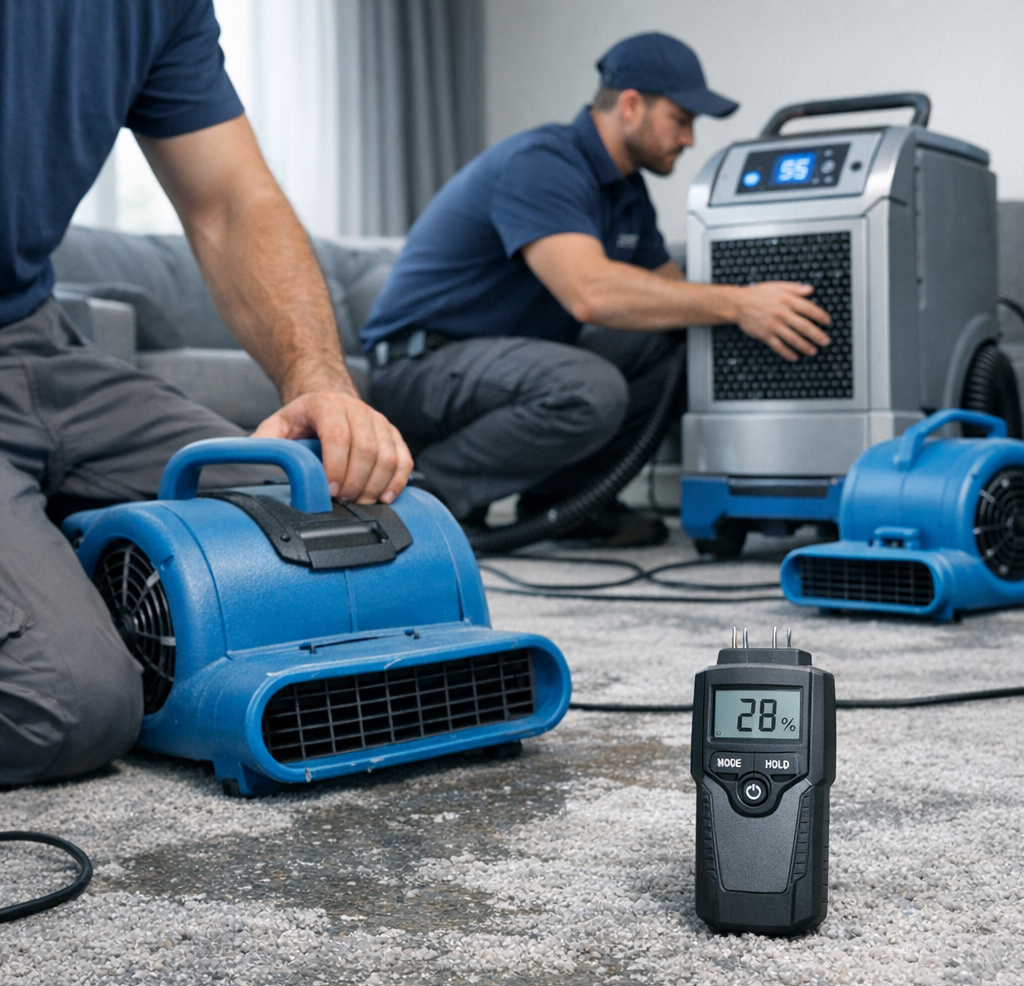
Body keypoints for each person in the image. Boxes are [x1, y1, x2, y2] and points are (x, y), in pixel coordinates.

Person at [0, 0, 412, 787]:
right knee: (67, 702)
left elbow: (230, 202)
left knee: (357, 522)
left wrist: (319, 379)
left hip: (34, 337)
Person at [362, 32, 831, 546]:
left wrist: (754, 303)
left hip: (500, 366)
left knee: (681, 343)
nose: (690, 139)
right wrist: (740, 304)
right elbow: (590, 293)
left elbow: (674, 297)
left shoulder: (627, 193)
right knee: (589, 387)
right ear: (631, 105)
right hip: (418, 367)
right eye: (682, 119)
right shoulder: (544, 163)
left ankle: (566, 502)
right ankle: (426, 496)